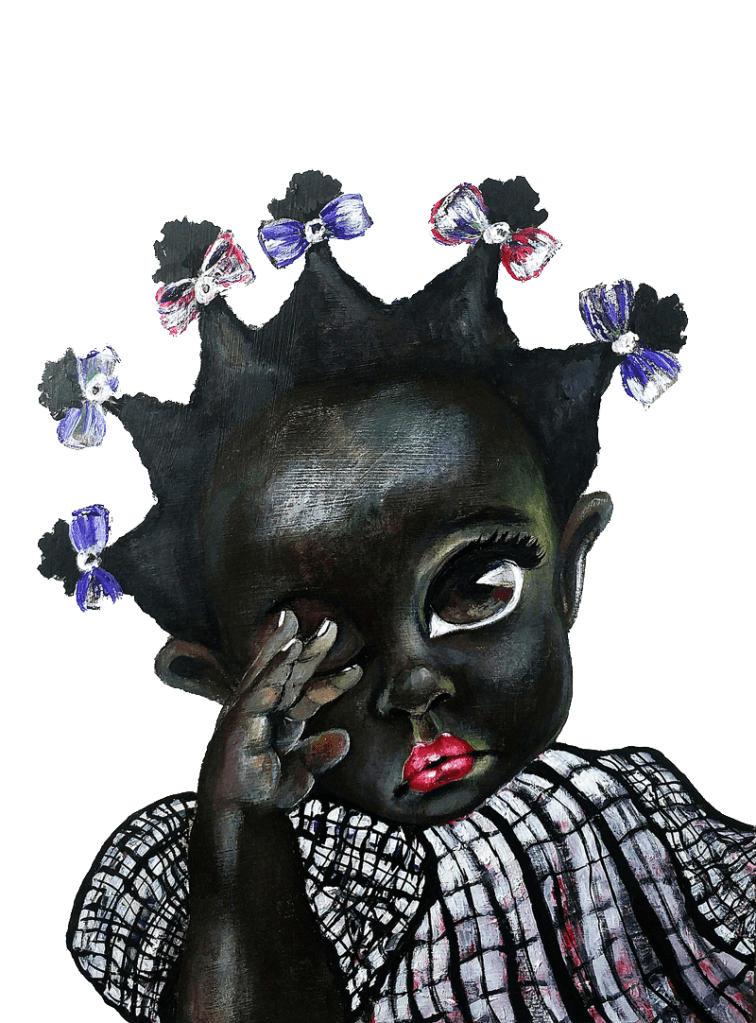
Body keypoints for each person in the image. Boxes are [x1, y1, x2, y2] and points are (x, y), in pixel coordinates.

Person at [39, 171, 754, 1023]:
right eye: (320, 649)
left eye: (477, 591)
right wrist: (246, 848)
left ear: (569, 570)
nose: (413, 684)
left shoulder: (632, 816)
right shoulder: (257, 874)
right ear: (217, 682)